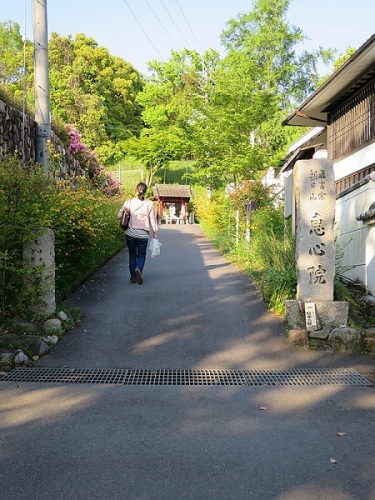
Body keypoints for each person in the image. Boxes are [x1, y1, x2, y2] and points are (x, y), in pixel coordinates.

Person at [118, 182, 158, 285]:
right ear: (145, 192)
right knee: (141, 255)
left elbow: (119, 215)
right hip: (143, 234)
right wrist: (155, 232)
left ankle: (133, 278)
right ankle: (138, 268)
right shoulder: (149, 204)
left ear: (136, 190)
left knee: (132, 255)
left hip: (130, 233)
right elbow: (152, 219)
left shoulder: (129, 202)